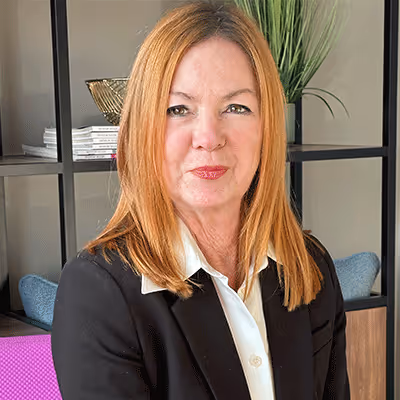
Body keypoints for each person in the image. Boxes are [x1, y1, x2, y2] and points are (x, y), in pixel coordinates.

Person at [51, 2, 350, 399]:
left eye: (236, 107)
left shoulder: (310, 270)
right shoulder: (96, 294)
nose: (209, 136)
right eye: (179, 108)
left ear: (267, 127)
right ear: (143, 129)